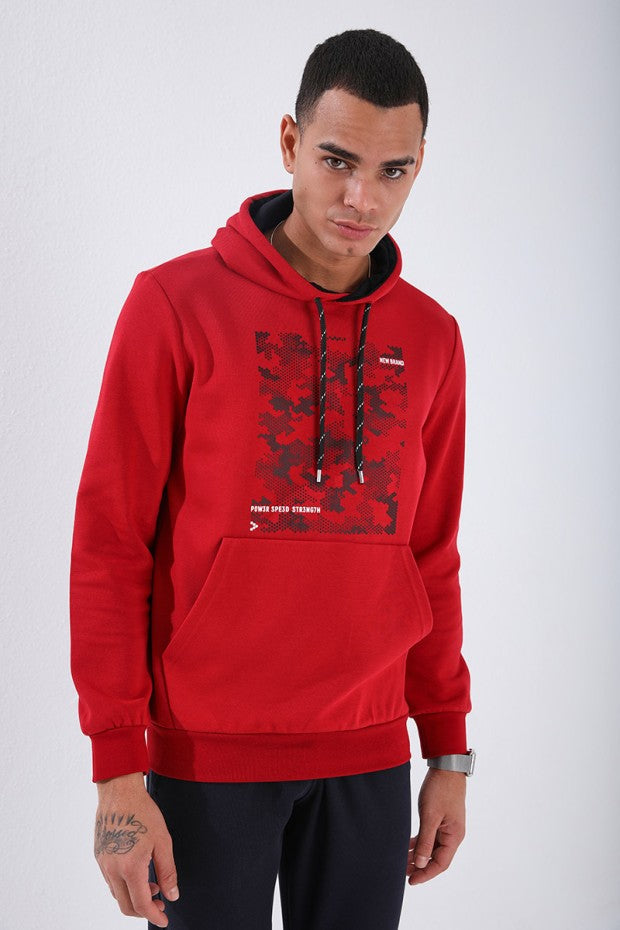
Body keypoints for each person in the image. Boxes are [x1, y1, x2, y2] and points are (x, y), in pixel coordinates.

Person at [69, 27, 475, 930]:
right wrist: (117, 769)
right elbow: (110, 542)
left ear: (419, 167)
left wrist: (447, 750)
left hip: (371, 755)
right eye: (337, 161)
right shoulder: (174, 306)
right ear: (290, 143)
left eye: (394, 171)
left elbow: (431, 553)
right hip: (206, 757)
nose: (362, 198)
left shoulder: (433, 338)